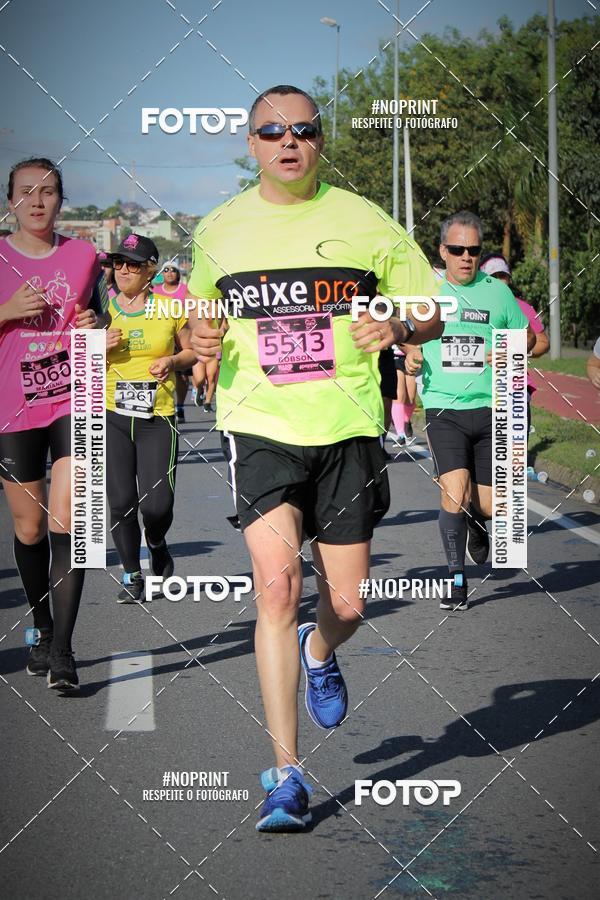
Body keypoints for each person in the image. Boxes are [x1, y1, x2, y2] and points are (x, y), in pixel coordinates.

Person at [188, 84, 442, 831]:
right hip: (259, 422)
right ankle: (285, 776)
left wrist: (397, 323)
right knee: (275, 585)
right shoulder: (221, 228)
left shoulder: (364, 220)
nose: (288, 142)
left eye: (303, 129)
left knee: (349, 602)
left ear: (320, 140)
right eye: (272, 132)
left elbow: (430, 307)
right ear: (251, 143)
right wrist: (199, 339)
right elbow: (200, 312)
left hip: (347, 426)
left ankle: (320, 648)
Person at [0, 156, 109, 690]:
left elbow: (101, 314)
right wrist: (5, 312)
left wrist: (96, 321)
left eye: (48, 192)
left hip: (75, 394)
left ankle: (63, 650)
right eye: (26, 192)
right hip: (13, 404)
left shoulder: (84, 255)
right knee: (29, 526)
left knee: (73, 523)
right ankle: (42, 627)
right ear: (10, 201)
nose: (37, 201)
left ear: (61, 200)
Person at [405, 212, 536, 610]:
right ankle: (456, 578)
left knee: (493, 505)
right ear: (443, 250)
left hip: (491, 406)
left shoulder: (497, 293)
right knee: (453, 491)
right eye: (458, 249)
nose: (466, 257)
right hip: (445, 407)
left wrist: (513, 347)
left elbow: (529, 335)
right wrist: (411, 353)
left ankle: (477, 523)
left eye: (474, 250)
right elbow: (405, 332)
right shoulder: (426, 290)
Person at [105, 235, 195, 603]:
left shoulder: (169, 309)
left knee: (157, 505)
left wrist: (172, 361)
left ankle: (156, 540)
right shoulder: (99, 310)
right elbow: (71, 356)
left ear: (150, 270)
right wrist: (96, 344)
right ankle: (131, 574)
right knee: (121, 500)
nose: (124, 269)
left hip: (157, 416)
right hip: (109, 413)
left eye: (134, 264)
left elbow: (193, 352)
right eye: (119, 263)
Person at [479, 253, 549, 453]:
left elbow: (543, 342)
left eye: (503, 275)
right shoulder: (473, 303)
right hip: (480, 387)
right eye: (494, 276)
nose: (500, 280)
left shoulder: (522, 307)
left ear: (509, 278)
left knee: (514, 453)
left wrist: (516, 350)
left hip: (515, 385)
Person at [153, 263, 190, 423]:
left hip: (181, 334)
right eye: (166, 270)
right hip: (162, 336)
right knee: (162, 371)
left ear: (178, 274)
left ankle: (180, 405)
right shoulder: (155, 291)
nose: (169, 273)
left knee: (182, 377)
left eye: (173, 270)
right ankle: (161, 406)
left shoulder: (185, 290)